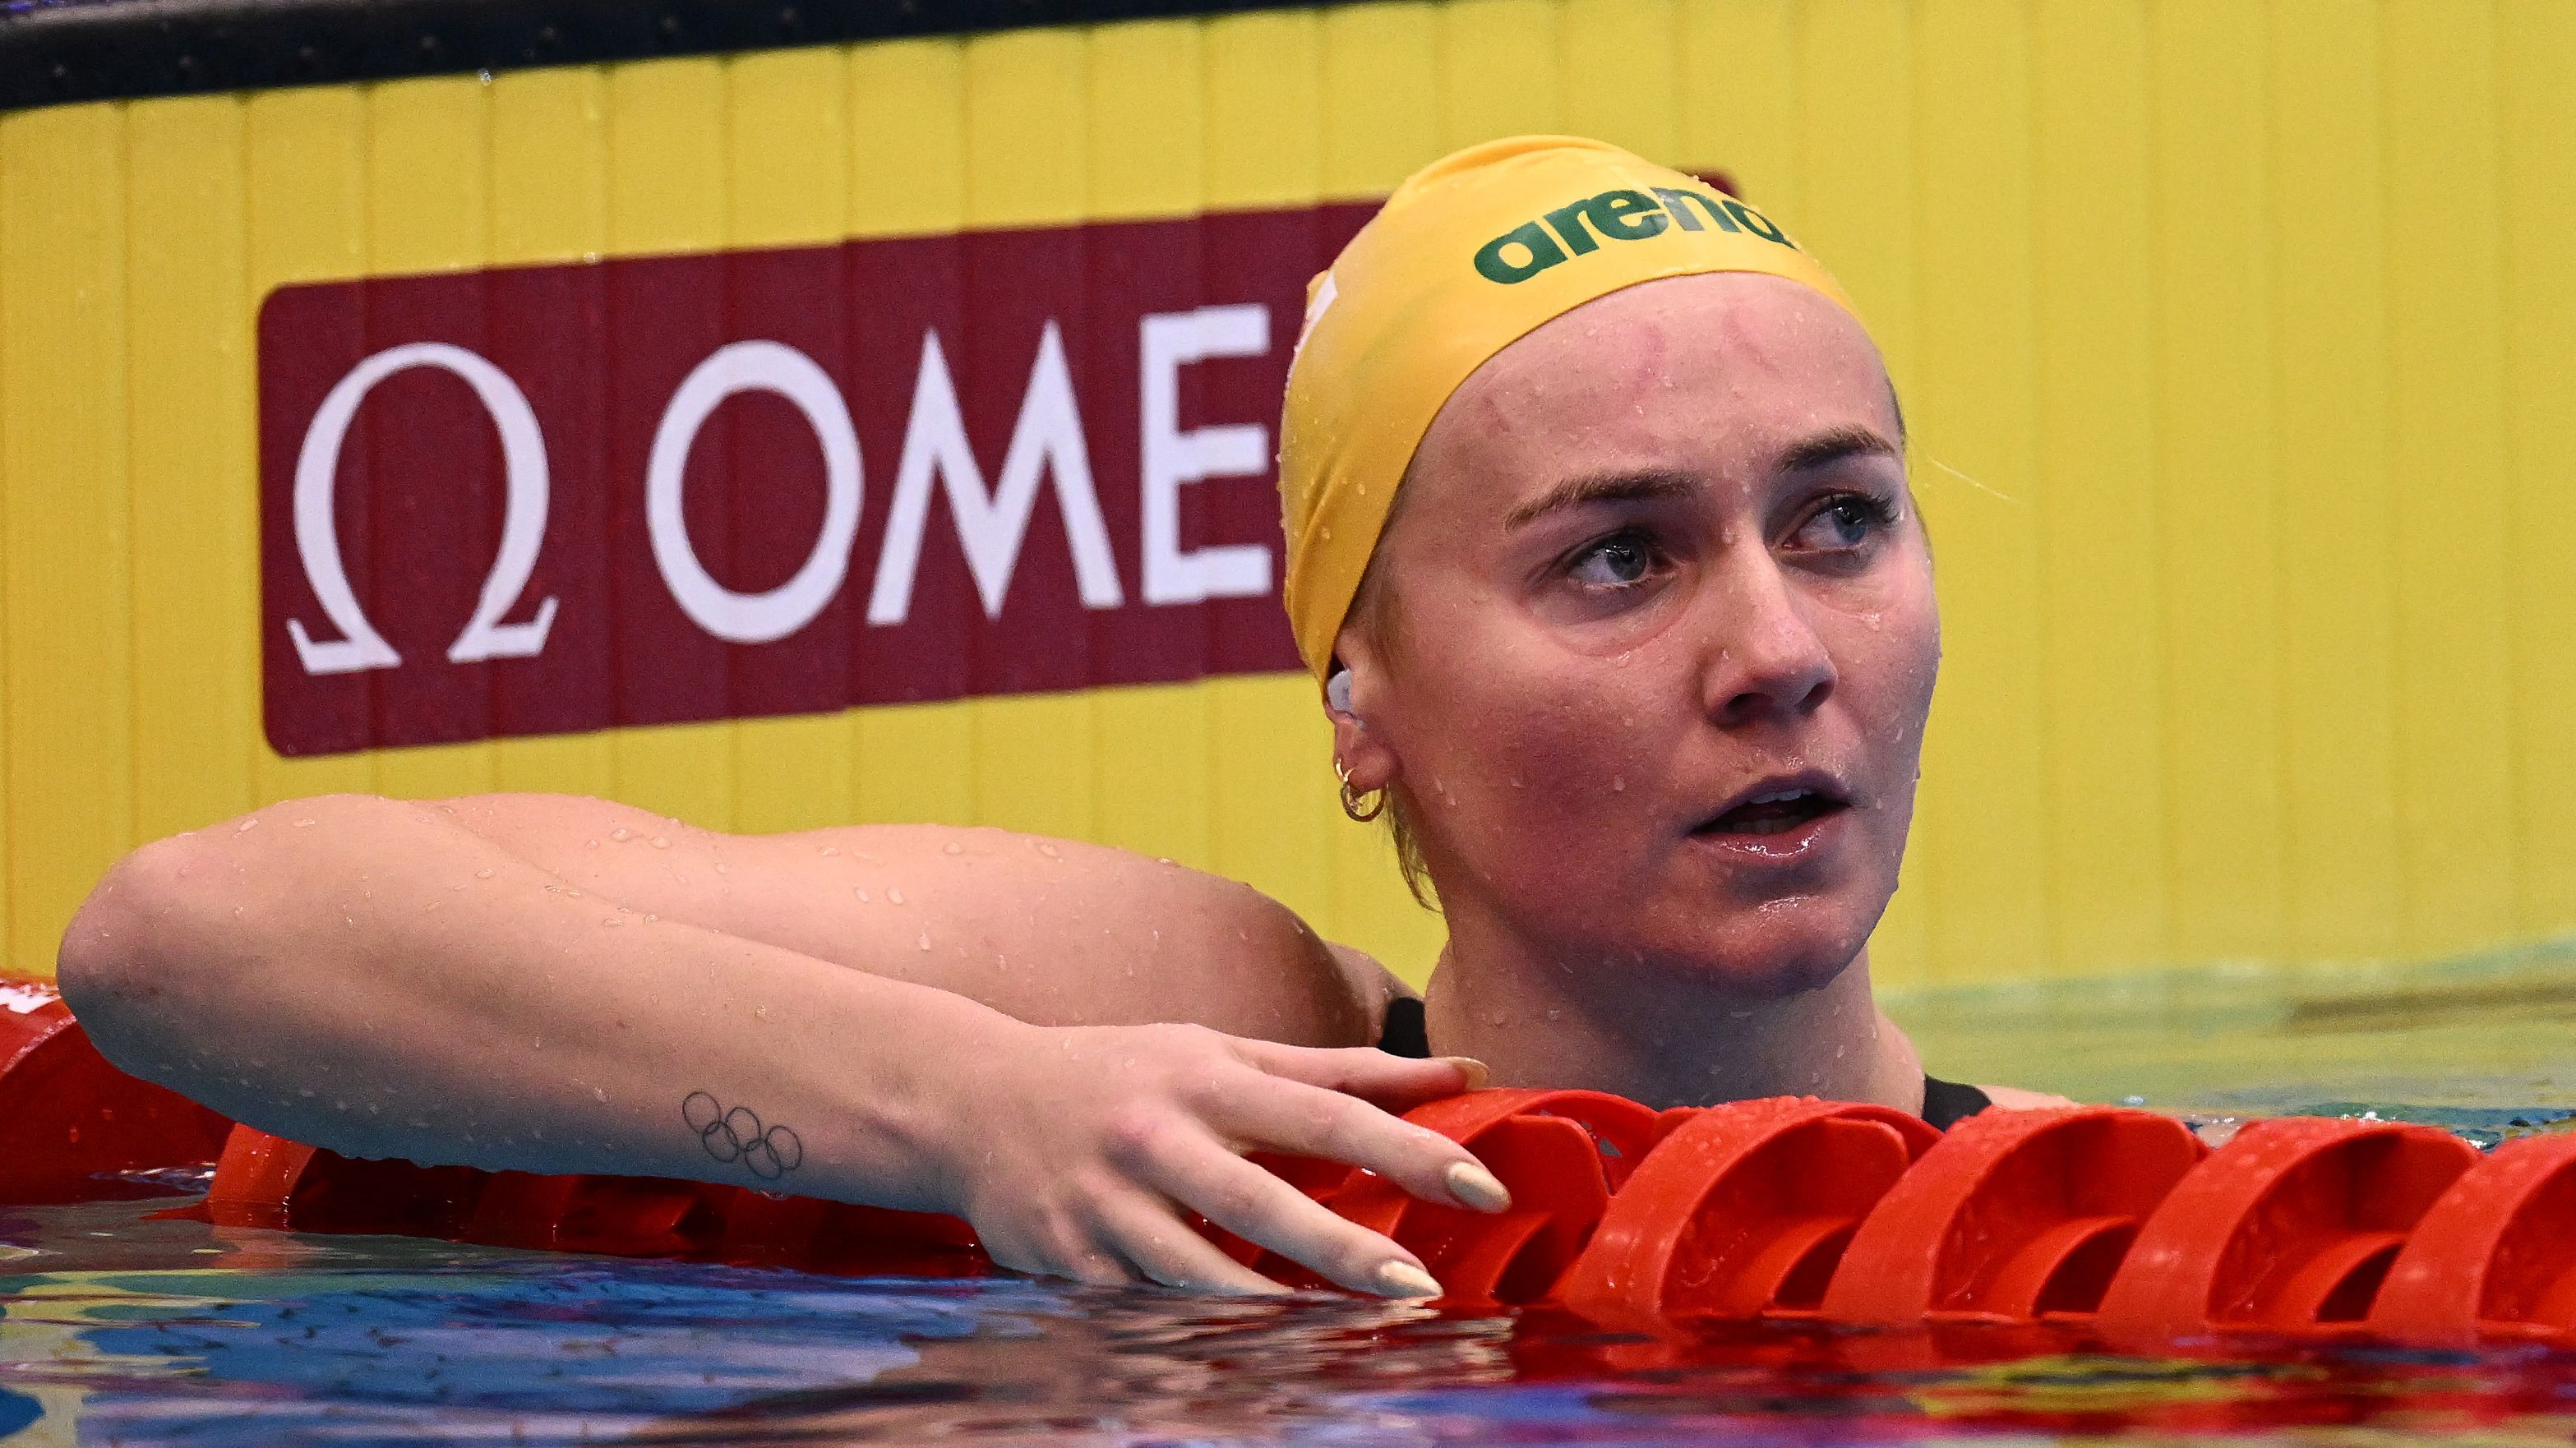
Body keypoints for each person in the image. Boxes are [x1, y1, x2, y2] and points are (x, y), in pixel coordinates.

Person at [59, 137, 2044, 1303]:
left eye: (1839, 519)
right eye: (1617, 559)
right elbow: (190, 934)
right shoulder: (1186, 1020)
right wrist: (965, 1105)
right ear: (1363, 697)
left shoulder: (2091, 1222)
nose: (1775, 646)